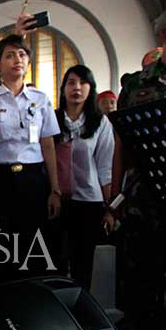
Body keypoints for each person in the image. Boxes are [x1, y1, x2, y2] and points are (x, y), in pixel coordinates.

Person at [0, 34, 62, 281]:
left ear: (29, 62)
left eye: (22, 54)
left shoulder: (41, 100)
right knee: (0, 248)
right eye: (10, 55)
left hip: (33, 181)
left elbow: (48, 146)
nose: (17, 60)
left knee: (33, 248)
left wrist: (54, 189)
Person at [54, 65, 115, 289]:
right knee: (56, 259)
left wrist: (109, 208)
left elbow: (105, 167)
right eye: (71, 82)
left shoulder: (100, 123)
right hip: (58, 201)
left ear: (91, 88)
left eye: (82, 82)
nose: (76, 88)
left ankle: (82, 311)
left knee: (83, 263)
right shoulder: (53, 120)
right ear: (63, 89)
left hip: (88, 202)